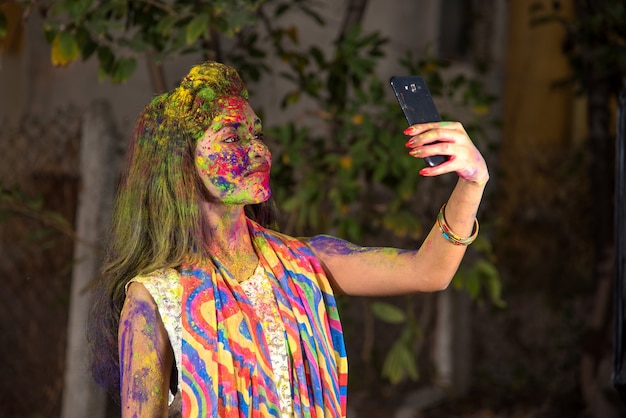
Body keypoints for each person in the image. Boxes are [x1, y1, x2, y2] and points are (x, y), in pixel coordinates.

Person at [88, 61, 489, 418]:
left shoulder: (305, 262)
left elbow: (428, 271)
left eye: (256, 134)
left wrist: (472, 183)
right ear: (181, 162)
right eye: (232, 138)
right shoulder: (156, 299)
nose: (260, 151)